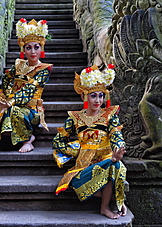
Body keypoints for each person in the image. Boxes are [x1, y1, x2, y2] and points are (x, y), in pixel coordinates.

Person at [52, 64, 127, 219]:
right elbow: (58, 142)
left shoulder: (109, 116)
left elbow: (115, 135)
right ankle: (117, 199)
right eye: (93, 96)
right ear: (83, 96)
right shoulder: (75, 118)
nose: (98, 100)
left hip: (107, 161)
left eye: (101, 96)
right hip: (84, 167)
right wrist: (78, 151)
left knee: (114, 165)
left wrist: (118, 149)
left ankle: (104, 207)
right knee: (77, 183)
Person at [0, 18, 53, 153]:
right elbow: (7, 79)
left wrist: (10, 102)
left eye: (36, 47)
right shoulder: (18, 65)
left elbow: (29, 90)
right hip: (12, 102)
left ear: (41, 48)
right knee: (3, 112)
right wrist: (6, 96)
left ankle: (28, 139)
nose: (32, 51)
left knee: (13, 110)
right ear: (23, 49)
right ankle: (12, 138)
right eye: (28, 47)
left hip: (32, 109)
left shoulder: (44, 69)